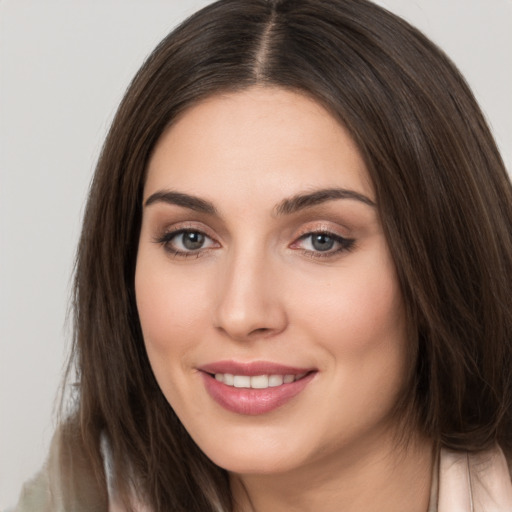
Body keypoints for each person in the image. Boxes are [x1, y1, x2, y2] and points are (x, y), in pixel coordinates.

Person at [12, 0, 512, 510]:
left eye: (322, 239)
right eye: (190, 238)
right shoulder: (70, 496)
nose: (241, 313)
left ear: (447, 257)